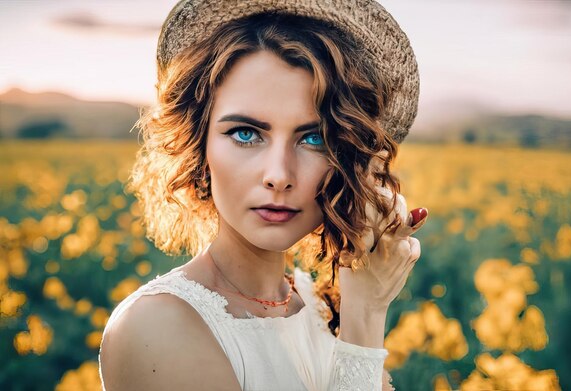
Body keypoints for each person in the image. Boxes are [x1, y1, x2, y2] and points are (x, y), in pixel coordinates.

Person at [98, 1, 427, 390]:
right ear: (198, 144)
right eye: (245, 133)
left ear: (349, 159)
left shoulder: (315, 301)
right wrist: (367, 316)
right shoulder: (155, 326)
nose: (278, 175)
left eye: (314, 138)